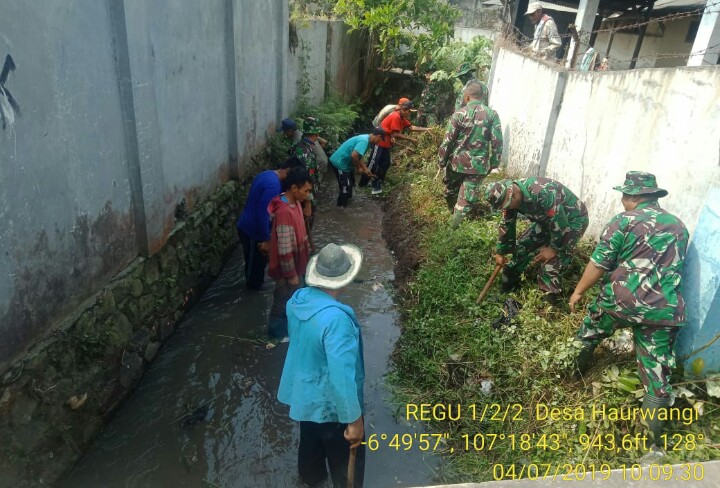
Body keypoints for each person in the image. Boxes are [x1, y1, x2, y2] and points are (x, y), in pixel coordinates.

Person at [568, 172, 688, 448]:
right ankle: (650, 445)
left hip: (620, 302)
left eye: (624, 195)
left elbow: (599, 263)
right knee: (657, 377)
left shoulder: (624, 221)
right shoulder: (679, 226)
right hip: (664, 309)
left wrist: (579, 291)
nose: (622, 200)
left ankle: (571, 378)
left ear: (633, 196)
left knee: (588, 333)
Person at [278, 242, 366, 487]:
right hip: (332, 408)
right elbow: (342, 376)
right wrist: (354, 421)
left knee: (311, 454)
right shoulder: (337, 320)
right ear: (345, 280)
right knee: (346, 470)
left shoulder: (297, 301)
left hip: (305, 399)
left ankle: (311, 479)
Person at [484, 176, 589, 303]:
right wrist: (501, 252)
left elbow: (561, 225)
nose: (508, 208)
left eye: (508, 205)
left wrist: (553, 249)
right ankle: (508, 290)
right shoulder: (509, 199)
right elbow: (507, 224)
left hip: (572, 221)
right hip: (546, 221)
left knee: (550, 266)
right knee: (521, 249)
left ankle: (548, 304)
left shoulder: (543, 192)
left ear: (513, 194)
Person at [438, 80, 503, 228]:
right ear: (482, 96)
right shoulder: (492, 114)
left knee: (451, 191)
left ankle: (452, 226)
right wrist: (494, 162)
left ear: (466, 97)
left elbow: (448, 141)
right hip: (478, 166)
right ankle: (455, 225)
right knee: (466, 200)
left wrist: (442, 160)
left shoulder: (459, 114)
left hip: (456, 164)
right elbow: (497, 142)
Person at [235, 157, 303, 290]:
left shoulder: (266, 174)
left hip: (249, 226)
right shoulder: (273, 186)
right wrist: (266, 240)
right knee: (254, 271)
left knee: (257, 265)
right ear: (288, 171)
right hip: (253, 232)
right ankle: (251, 293)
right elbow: (263, 215)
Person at [267, 167, 313, 338]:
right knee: (281, 301)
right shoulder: (284, 212)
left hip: (297, 264)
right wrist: (291, 274)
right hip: (287, 270)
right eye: (306, 191)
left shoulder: (295, 203)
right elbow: (285, 250)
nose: (308, 194)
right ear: (294, 188)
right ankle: (275, 334)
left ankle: (289, 328)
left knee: (293, 298)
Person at [360, 100, 429, 195]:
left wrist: (427, 129)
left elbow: (411, 127)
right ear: (404, 110)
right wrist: (410, 139)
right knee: (373, 162)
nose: (409, 114)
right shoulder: (396, 116)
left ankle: (378, 182)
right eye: (409, 111)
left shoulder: (402, 117)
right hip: (379, 140)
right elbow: (396, 134)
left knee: (386, 163)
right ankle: (363, 183)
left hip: (387, 142)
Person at [290, 117, 324, 253]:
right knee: (304, 225)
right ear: (316, 134)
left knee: (302, 226)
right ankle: (302, 252)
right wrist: (308, 203)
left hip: (301, 194)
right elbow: (305, 180)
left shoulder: (300, 146)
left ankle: (303, 249)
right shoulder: (305, 153)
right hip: (304, 197)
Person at [330, 128, 386, 207]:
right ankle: (340, 208)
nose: (379, 143)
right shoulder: (364, 141)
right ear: (378, 136)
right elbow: (354, 156)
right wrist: (358, 168)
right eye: (380, 140)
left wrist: (366, 169)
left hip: (346, 164)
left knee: (351, 183)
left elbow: (359, 156)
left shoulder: (367, 140)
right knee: (346, 186)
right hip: (340, 163)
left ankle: (347, 204)